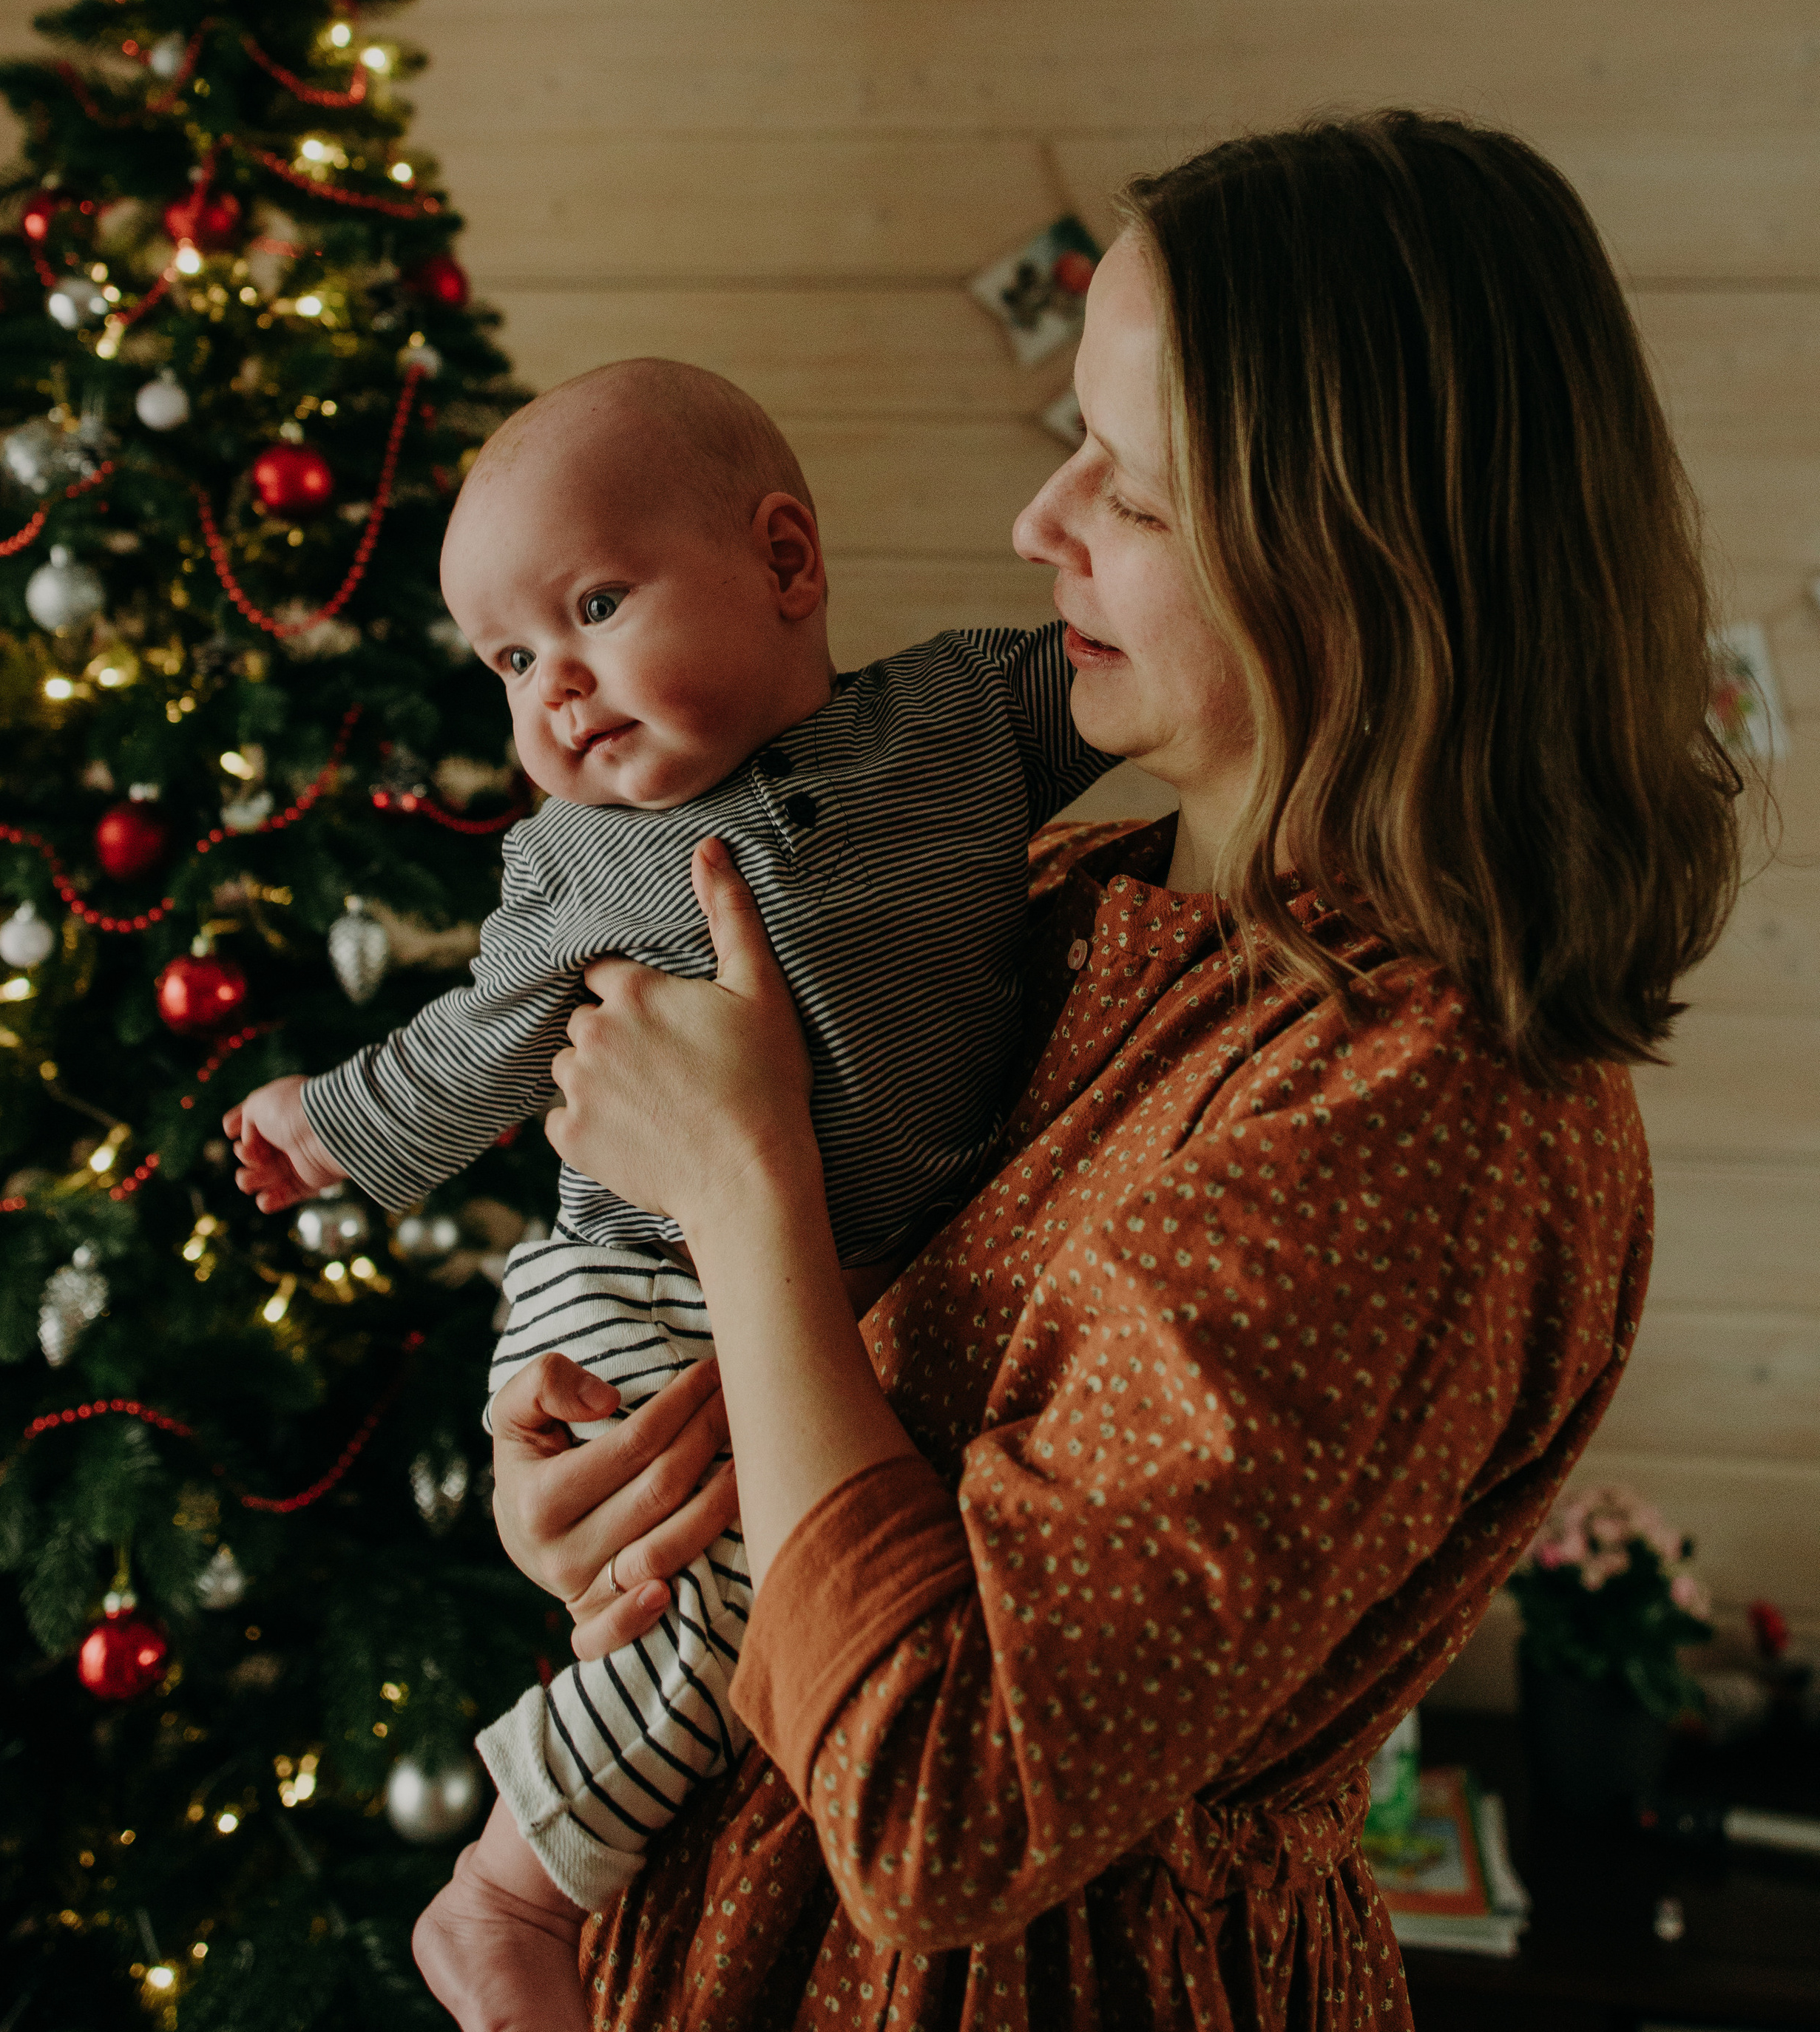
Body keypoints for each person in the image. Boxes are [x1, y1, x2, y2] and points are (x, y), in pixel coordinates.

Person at [481, 115, 1742, 2031]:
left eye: (1134, 494)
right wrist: (601, 1511)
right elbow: (846, 1431)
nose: (1039, 523)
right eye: (1070, 438)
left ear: (1367, 553)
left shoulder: (1429, 1124)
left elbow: (942, 1815)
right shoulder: (1087, 901)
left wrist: (746, 1190)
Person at [220, 356, 1114, 2027]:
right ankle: (502, 1892)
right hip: (627, 1276)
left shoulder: (962, 722)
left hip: (821, 1285)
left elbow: (1137, 680)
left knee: (779, 1585)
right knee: (723, 1588)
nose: (554, 687)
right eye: (509, 658)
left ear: (787, 563)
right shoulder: (569, 860)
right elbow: (478, 1042)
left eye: (595, 605)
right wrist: (331, 1124)